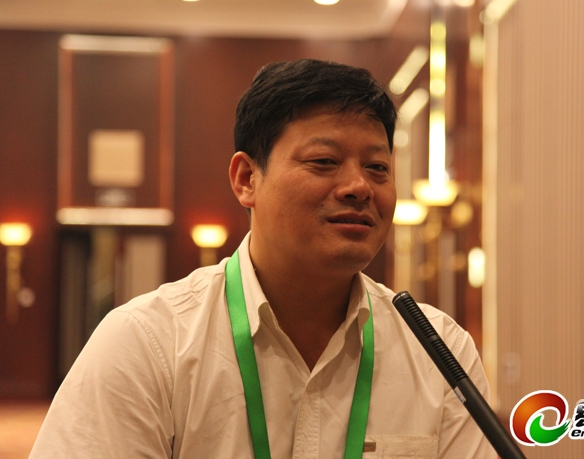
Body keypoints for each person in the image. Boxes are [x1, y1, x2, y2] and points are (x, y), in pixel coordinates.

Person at [30, 59, 493, 458]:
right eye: (324, 162)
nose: (359, 187)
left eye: (377, 168)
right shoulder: (147, 343)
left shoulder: (439, 351)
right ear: (246, 179)